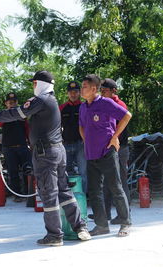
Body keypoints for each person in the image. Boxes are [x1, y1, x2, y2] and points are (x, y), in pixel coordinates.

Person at [0, 70, 91, 246]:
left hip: (45, 154)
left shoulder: (41, 100)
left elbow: (18, 112)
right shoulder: (51, 100)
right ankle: (80, 228)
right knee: (64, 190)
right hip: (58, 151)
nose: (33, 86)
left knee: (49, 194)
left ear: (40, 84)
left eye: (34, 83)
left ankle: (55, 235)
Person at [79, 74, 132, 237]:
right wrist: (87, 141)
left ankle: (125, 223)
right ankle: (102, 225)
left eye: (85, 87)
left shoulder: (105, 103)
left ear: (94, 89)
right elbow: (81, 127)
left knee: (115, 187)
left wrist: (115, 137)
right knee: (94, 191)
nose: (82, 89)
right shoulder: (82, 107)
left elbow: (126, 116)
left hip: (107, 152)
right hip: (91, 154)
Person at [100, 78, 131, 224]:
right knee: (107, 180)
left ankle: (125, 214)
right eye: (101, 90)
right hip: (109, 148)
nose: (102, 93)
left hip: (121, 148)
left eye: (105, 90)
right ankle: (105, 213)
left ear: (114, 91)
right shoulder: (104, 105)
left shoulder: (119, 105)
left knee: (120, 181)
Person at [0, 92, 32, 202]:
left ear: (17, 102)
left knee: (27, 170)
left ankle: (28, 194)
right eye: (10, 102)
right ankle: (17, 195)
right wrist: (6, 115)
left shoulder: (22, 114)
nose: (12, 104)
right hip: (8, 147)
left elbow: (27, 130)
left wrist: (30, 143)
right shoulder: (3, 115)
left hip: (22, 146)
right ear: (6, 103)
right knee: (13, 172)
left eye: (14, 102)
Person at [59, 81, 87, 193]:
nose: (73, 94)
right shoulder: (62, 108)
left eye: (75, 92)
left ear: (79, 93)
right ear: (67, 93)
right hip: (65, 144)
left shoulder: (85, 106)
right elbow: (56, 126)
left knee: (83, 171)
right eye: (71, 92)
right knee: (66, 172)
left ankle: (84, 196)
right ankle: (69, 198)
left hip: (81, 144)